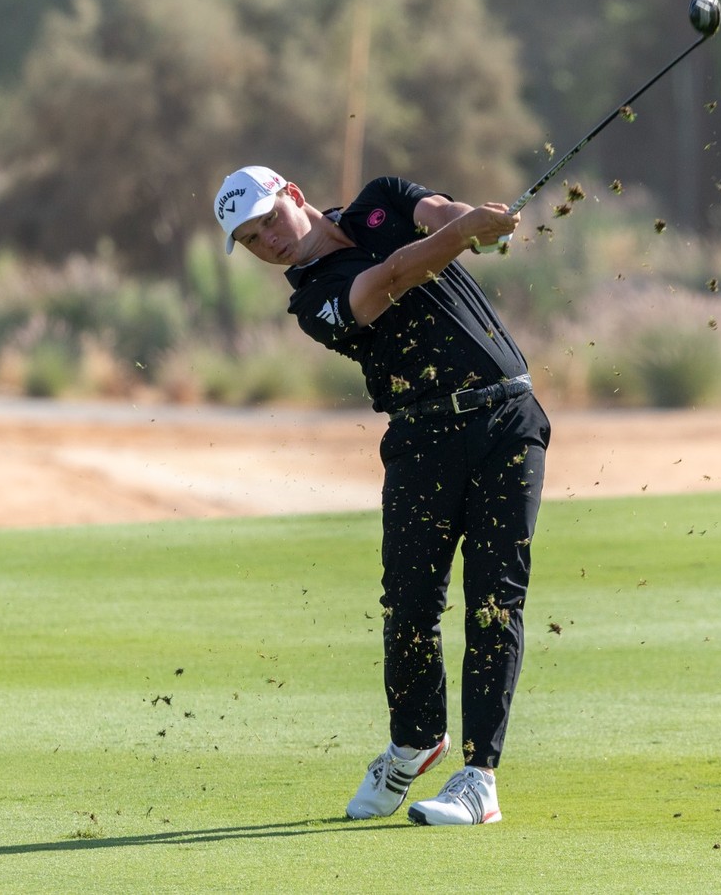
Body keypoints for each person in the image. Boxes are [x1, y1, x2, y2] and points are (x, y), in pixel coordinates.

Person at [211, 165, 548, 826]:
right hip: (423, 439)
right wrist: (464, 234)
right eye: (250, 240)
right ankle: (415, 742)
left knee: (495, 601)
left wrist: (479, 225)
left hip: (510, 420)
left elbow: (442, 214)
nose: (268, 241)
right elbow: (392, 278)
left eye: (269, 220)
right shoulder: (314, 302)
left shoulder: (382, 200)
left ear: (294, 196)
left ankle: (478, 779)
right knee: (411, 605)